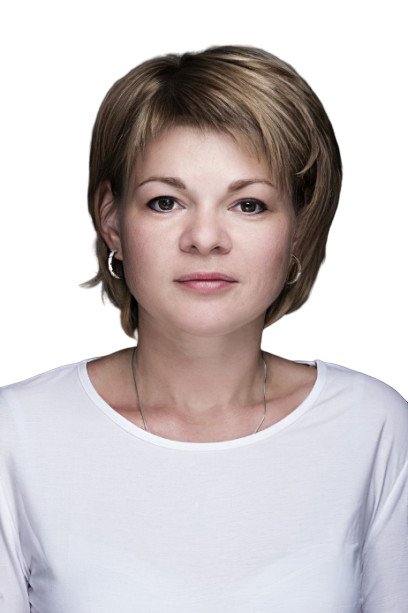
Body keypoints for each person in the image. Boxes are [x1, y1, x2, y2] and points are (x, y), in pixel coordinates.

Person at [0, 45, 406, 612]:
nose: (205, 238)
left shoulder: (373, 426)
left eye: (249, 205)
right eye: (166, 202)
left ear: (300, 227)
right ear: (112, 221)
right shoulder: (17, 434)